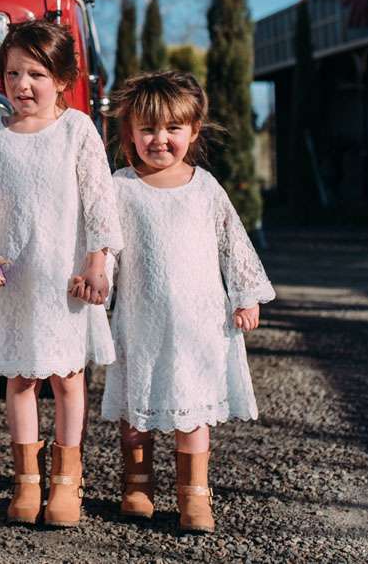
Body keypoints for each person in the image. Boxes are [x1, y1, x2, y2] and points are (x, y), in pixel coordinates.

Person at [0, 19, 123, 528]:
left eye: (35, 74)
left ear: (63, 80)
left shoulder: (77, 130)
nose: (21, 85)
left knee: (67, 378)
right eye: (12, 74)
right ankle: (27, 479)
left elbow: (100, 202)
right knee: (21, 377)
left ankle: (67, 480)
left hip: (64, 277)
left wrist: (97, 261)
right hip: (16, 277)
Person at [98, 71, 275, 533]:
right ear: (130, 132)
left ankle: (194, 494)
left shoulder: (205, 187)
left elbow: (232, 243)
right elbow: (107, 246)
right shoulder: (120, 186)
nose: (160, 139)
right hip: (141, 318)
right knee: (137, 405)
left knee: (192, 408)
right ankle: (137, 483)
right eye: (148, 129)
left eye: (173, 128)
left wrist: (246, 295)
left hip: (199, 321)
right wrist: (98, 287)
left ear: (193, 131)